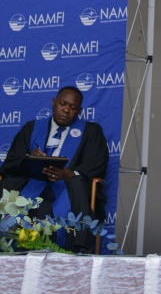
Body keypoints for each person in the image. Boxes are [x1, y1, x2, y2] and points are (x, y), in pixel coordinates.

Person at [0, 85, 109, 251]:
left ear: (79, 111)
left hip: (67, 188)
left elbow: (96, 164)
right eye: (62, 104)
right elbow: (12, 162)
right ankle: (21, 246)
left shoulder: (91, 132)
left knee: (71, 189)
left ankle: (71, 249)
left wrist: (69, 173)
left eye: (72, 107)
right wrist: (30, 159)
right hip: (34, 184)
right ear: (53, 102)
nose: (66, 110)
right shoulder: (32, 128)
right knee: (35, 203)